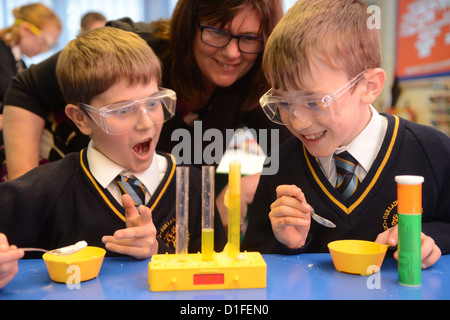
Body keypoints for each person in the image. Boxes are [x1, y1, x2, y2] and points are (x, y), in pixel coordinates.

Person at [0, 27, 227, 289]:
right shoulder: (42, 193)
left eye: (153, 103)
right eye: (123, 110)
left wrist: (156, 251)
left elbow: (217, 280)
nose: (146, 123)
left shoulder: (195, 186)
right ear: (81, 118)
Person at [242, 0, 449, 269]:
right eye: (283, 103)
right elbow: (254, 257)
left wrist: (433, 239)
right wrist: (288, 244)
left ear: (369, 86)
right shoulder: (279, 165)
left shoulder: (432, 152)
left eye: (316, 102)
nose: (298, 121)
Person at [0, 3, 61, 128]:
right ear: (25, 30)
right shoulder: (2, 52)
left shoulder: (18, 61)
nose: (45, 50)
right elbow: (13, 96)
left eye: (51, 46)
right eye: (45, 42)